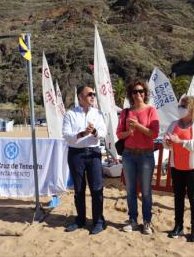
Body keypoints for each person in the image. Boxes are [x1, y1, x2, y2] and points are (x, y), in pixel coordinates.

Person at [62, 85, 107, 235]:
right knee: (79, 190)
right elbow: (67, 135)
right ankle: (80, 220)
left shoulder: (98, 113)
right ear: (80, 97)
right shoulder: (70, 114)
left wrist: (94, 132)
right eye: (89, 94)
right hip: (76, 154)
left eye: (93, 94)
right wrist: (82, 134)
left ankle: (98, 222)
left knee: (96, 189)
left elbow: (103, 132)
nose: (92, 96)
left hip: (93, 153)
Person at [116, 80, 159, 235]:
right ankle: (133, 220)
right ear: (131, 94)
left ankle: (147, 221)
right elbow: (119, 133)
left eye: (141, 91)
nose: (138, 94)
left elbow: (154, 134)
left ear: (145, 94)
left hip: (146, 155)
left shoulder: (151, 110)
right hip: (128, 155)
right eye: (135, 92)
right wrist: (129, 132)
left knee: (146, 191)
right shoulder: (125, 112)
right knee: (131, 190)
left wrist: (138, 126)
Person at [163, 95, 194, 242]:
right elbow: (166, 145)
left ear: (191, 108)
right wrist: (168, 142)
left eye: (183, 106)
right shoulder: (173, 124)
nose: (180, 109)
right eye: (180, 106)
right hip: (177, 166)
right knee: (178, 197)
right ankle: (178, 226)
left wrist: (179, 141)